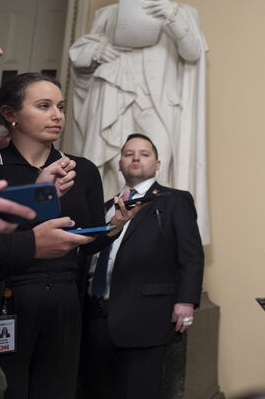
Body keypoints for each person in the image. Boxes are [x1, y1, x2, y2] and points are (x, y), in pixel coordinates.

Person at [0, 7, 94, 399]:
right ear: (11, 115)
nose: (57, 115)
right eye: (44, 106)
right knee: (8, 387)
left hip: (64, 294)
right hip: (9, 296)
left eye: (60, 106)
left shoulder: (79, 169)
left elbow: (89, 238)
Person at [69, 0, 210, 242]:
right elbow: (80, 56)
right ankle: (108, 243)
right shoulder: (107, 15)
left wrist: (171, 18)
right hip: (115, 101)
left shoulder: (180, 11)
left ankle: (158, 240)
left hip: (157, 104)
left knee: (161, 167)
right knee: (110, 169)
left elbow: (193, 52)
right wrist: (99, 50)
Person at [80, 133, 204, 399]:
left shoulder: (174, 200)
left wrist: (186, 300)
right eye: (128, 154)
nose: (135, 158)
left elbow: (191, 255)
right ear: (120, 164)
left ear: (158, 164)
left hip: (145, 317)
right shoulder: (105, 207)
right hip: (95, 317)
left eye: (144, 154)